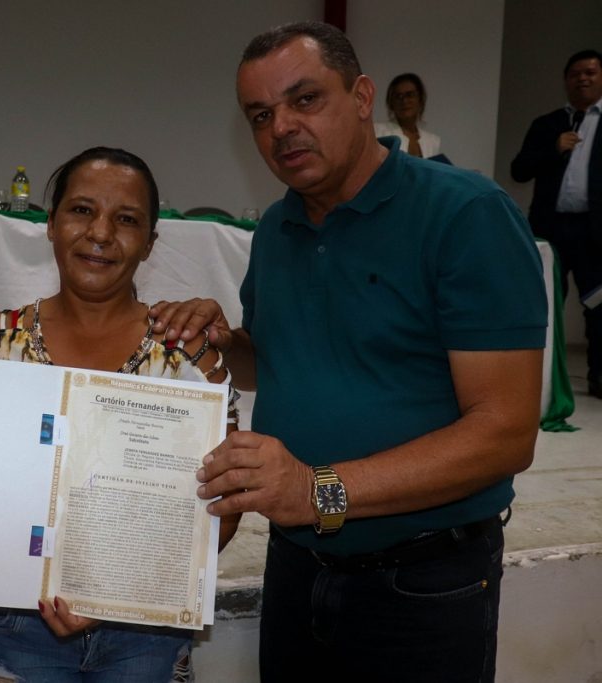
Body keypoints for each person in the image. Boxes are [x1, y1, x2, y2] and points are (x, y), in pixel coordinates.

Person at [150, 22, 547, 682]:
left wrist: (318, 491)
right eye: (260, 115)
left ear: (362, 97)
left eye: (305, 99)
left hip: (422, 579)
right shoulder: (277, 228)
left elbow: (505, 434)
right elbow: (276, 359)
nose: (282, 128)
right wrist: (222, 343)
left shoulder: (465, 214)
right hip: (298, 565)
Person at [0, 146, 241, 683]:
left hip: (146, 634)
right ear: (50, 223)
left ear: (151, 242)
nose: (100, 233)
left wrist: (118, 593)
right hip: (11, 624)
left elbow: (227, 503)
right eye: (82, 210)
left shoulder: (189, 360)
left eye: (127, 219)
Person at [511, 49, 602, 399]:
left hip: (594, 232)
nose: (583, 79)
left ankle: (598, 377)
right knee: (543, 303)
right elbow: (519, 169)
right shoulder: (547, 124)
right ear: (565, 80)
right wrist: (553, 149)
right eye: (575, 73)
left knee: (598, 306)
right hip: (550, 230)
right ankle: (538, 380)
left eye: (590, 72)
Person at [373, 73, 441, 158]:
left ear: (420, 99)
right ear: (391, 103)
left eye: (410, 95)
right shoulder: (377, 132)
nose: (404, 101)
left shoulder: (432, 141)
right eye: (398, 96)